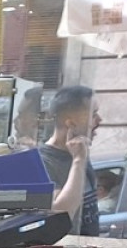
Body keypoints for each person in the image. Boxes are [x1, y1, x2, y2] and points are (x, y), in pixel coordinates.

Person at [37, 85, 102, 237]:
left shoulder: (80, 152)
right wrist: (78, 161)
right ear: (71, 123)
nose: (99, 120)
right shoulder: (43, 161)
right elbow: (60, 214)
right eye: (93, 114)